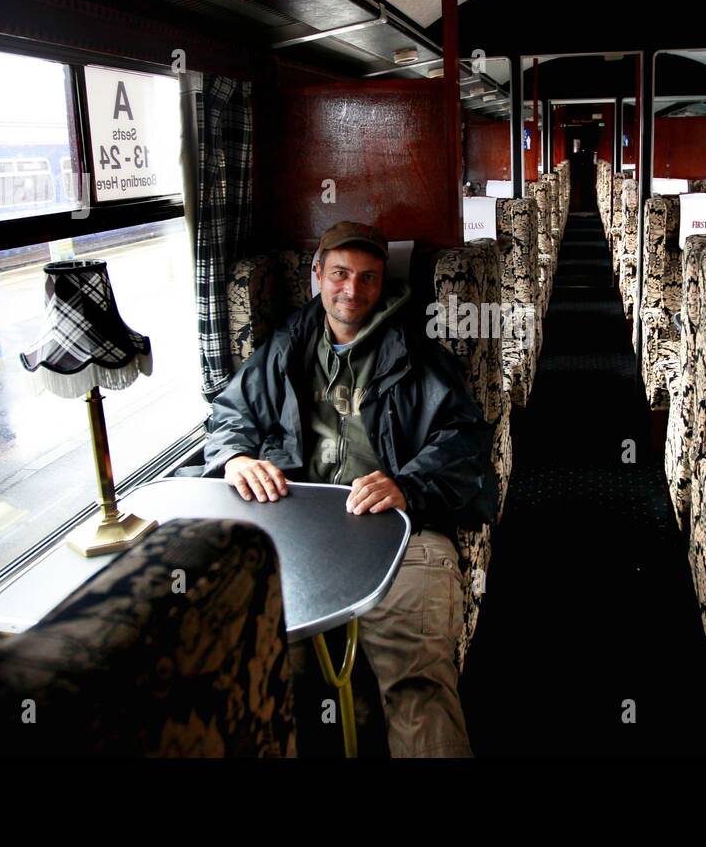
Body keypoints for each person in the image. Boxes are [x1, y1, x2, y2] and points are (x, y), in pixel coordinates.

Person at [203, 220, 497, 757]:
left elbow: (467, 443)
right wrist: (235, 456)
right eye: (340, 274)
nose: (352, 290)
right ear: (317, 275)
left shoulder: (419, 353)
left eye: (368, 278)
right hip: (298, 526)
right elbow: (230, 414)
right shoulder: (285, 346)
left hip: (406, 532)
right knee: (260, 668)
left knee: (418, 682)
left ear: (383, 284)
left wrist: (408, 484)